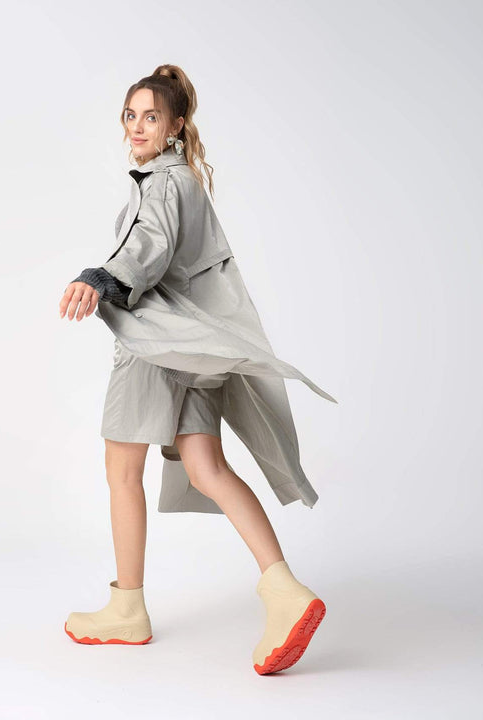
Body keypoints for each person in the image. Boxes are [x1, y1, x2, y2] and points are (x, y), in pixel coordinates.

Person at [58, 64, 335, 675]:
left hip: (156, 347)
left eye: (150, 116)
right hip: (194, 350)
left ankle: (127, 609)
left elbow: (147, 250)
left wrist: (97, 278)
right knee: (208, 468)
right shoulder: (185, 180)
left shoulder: (162, 183)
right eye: (130, 116)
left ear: (176, 125)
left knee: (121, 470)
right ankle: (284, 590)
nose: (136, 127)